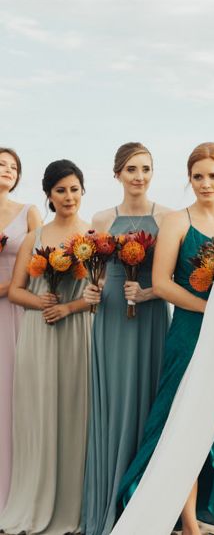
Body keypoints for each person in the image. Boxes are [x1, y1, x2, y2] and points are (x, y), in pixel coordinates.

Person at [117, 143, 214, 535]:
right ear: (189, 179)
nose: (206, 183)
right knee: (184, 424)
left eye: (213, 176)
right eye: (198, 176)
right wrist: (210, 312)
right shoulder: (177, 220)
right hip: (189, 334)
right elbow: (162, 284)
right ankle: (189, 525)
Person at [80, 143, 171, 535]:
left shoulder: (167, 218)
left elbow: (171, 276)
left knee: (149, 400)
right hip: (113, 315)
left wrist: (149, 293)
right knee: (115, 403)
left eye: (146, 168)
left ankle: (145, 506)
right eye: (131, 169)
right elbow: (93, 276)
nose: (139, 176)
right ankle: (107, 504)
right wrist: (90, 292)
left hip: (149, 313)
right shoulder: (102, 218)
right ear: (117, 174)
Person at [0, 160, 92, 535]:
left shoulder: (94, 235)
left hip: (79, 334)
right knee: (37, 414)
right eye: (60, 190)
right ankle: (32, 501)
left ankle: (74, 506)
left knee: (76, 414)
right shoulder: (37, 238)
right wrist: (44, 304)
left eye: (73, 189)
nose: (68, 196)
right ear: (49, 196)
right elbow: (18, 290)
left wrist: (70, 306)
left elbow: (99, 293)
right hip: (39, 334)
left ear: (82, 191)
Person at [0, 148, 41, 512]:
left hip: (13, 312)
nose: (7, 170)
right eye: (1, 164)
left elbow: (38, 263)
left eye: (13, 166)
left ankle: (15, 491)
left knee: (13, 397)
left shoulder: (28, 212)